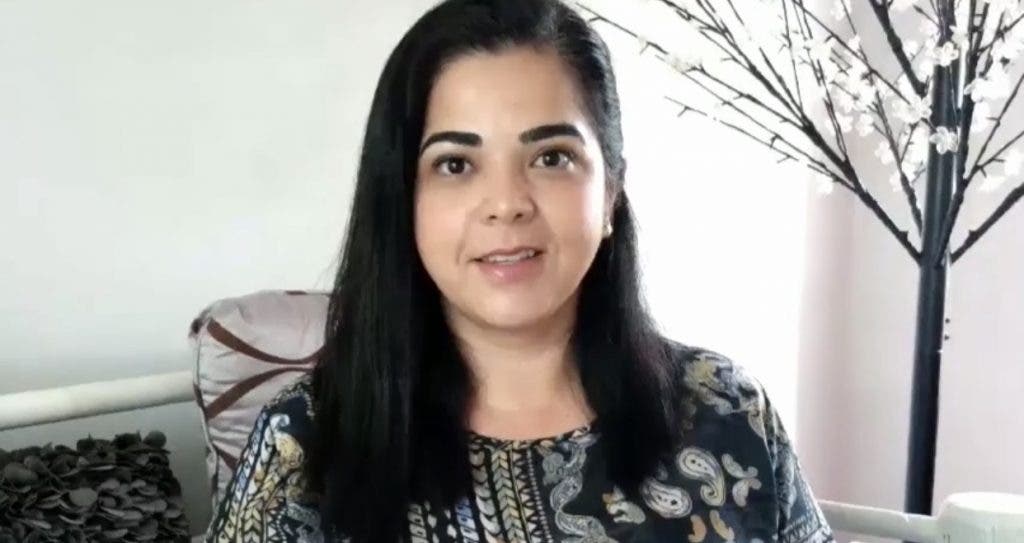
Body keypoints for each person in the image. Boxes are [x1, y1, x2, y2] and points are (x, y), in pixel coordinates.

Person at [206, 0, 834, 541]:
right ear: (402, 200)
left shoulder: (728, 411)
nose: (506, 204)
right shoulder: (304, 446)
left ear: (611, 191)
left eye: (551, 157)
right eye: (455, 164)